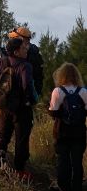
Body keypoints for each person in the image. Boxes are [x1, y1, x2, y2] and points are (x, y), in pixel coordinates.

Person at [0, 36, 38, 179]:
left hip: (5, 108)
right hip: (21, 110)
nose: (26, 49)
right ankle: (20, 172)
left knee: (3, 137)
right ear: (16, 51)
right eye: (23, 47)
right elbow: (27, 84)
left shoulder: (2, 62)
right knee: (21, 140)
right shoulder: (25, 66)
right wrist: (29, 101)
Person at [48, 62, 87, 191]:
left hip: (61, 132)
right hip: (79, 132)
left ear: (61, 75)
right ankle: (77, 187)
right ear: (76, 75)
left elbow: (53, 112)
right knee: (77, 161)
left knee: (63, 161)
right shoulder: (83, 91)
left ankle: (63, 187)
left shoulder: (57, 91)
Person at [8, 26, 44, 99]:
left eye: (14, 38)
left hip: (24, 97)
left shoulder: (26, 54)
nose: (12, 41)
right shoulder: (34, 51)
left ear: (21, 39)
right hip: (32, 94)